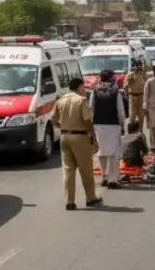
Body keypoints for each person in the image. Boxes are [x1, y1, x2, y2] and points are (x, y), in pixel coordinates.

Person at [52, 77, 102, 210]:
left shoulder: (60, 100)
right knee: (86, 169)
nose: (85, 90)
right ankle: (91, 197)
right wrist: (94, 138)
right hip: (79, 137)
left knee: (68, 170)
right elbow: (87, 122)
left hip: (64, 136)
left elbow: (53, 119)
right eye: (83, 88)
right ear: (79, 87)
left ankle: (70, 201)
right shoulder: (81, 100)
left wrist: (62, 127)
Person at [90, 69, 126, 189]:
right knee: (114, 154)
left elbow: (91, 108)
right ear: (111, 79)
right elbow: (120, 111)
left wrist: (92, 124)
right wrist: (122, 125)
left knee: (102, 152)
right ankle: (113, 179)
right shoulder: (116, 92)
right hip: (113, 124)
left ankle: (104, 177)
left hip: (98, 124)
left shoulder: (94, 91)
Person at [124, 60, 146, 125]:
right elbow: (124, 87)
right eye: (138, 65)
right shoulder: (130, 74)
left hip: (141, 96)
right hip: (132, 97)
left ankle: (140, 132)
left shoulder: (142, 74)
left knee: (141, 116)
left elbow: (146, 84)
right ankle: (132, 133)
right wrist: (129, 81)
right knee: (132, 116)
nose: (139, 67)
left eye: (140, 65)